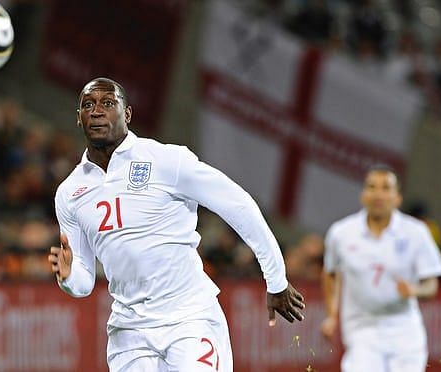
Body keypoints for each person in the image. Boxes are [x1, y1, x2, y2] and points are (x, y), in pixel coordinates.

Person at [48, 77, 305, 371]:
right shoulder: (70, 193)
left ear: (127, 114)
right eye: (88, 105)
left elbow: (238, 204)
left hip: (189, 317)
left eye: (108, 103)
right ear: (79, 119)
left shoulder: (166, 160)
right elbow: (83, 283)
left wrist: (276, 279)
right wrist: (68, 277)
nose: (96, 111)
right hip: (129, 333)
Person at [320, 165, 441, 372]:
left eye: (386, 188)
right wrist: (331, 315)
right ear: (363, 195)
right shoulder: (341, 233)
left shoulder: (416, 232)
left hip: (405, 330)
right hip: (362, 328)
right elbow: (330, 273)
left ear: (398, 198)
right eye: (372, 187)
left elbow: (431, 284)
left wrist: (415, 290)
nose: (378, 194)